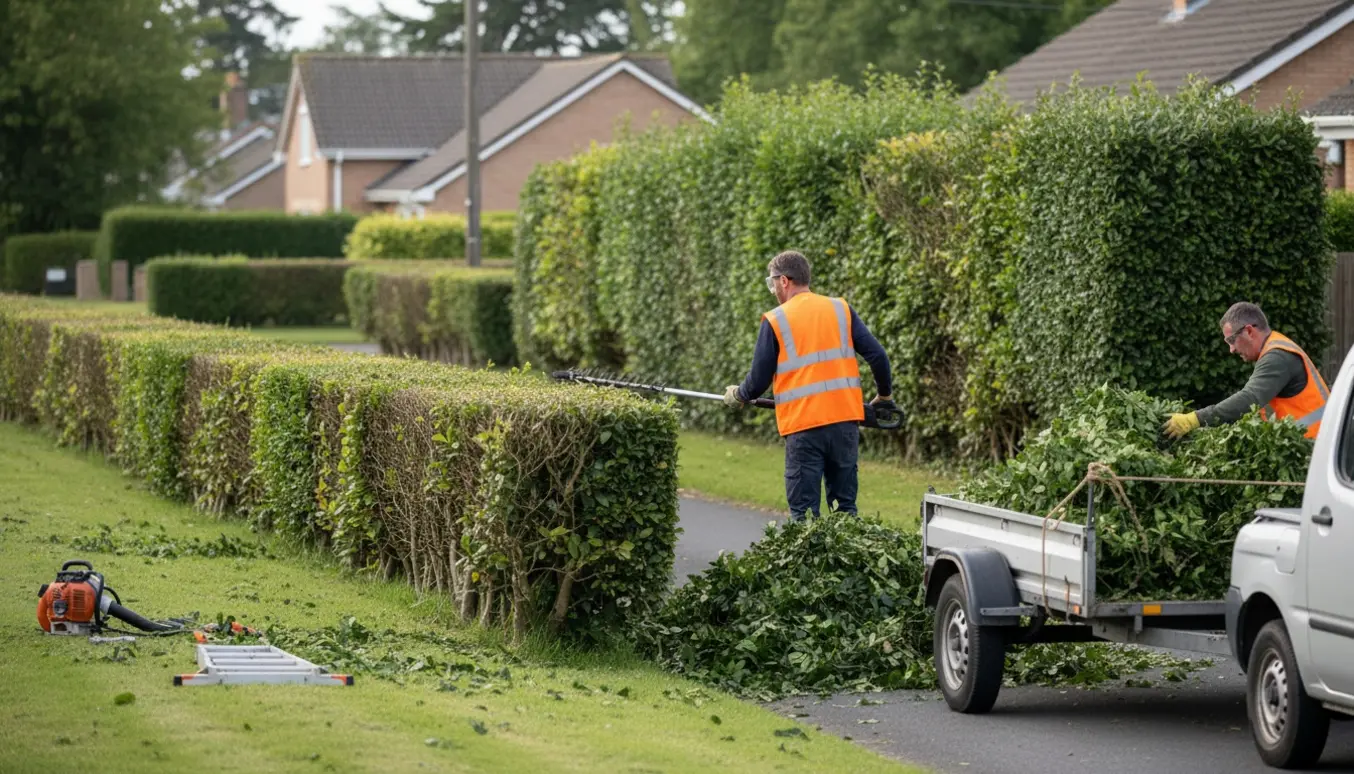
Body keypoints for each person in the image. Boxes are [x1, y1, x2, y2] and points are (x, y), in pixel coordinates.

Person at [724, 250, 894, 520]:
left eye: (772, 283)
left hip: (804, 427)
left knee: (804, 514)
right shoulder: (840, 309)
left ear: (784, 281)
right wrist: (884, 397)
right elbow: (878, 356)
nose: (773, 290)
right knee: (845, 511)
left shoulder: (776, 319)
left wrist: (739, 394)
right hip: (845, 424)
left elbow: (757, 382)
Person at [1164, 302, 1329, 440]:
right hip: (1313, 443)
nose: (1231, 349)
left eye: (1232, 340)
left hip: (1315, 447)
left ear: (1249, 331)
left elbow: (1249, 398)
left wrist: (1196, 418)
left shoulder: (1277, 357)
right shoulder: (1275, 348)